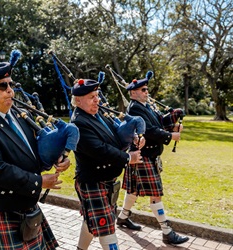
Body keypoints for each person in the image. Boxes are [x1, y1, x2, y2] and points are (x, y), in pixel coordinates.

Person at [0, 50, 71, 249]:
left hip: (26, 204)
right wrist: (39, 182)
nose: (10, 91)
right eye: (2, 86)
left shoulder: (20, 115)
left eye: (11, 85)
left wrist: (56, 158)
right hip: (2, 209)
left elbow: (33, 154)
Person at [70, 79, 143, 250]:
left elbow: (115, 134)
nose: (97, 100)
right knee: (107, 227)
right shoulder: (78, 123)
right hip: (93, 181)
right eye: (91, 97)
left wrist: (132, 138)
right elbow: (100, 150)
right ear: (78, 100)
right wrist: (127, 158)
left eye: (97, 96)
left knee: (92, 220)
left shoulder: (97, 114)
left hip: (106, 180)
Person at [117, 72, 189, 245]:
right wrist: (171, 136)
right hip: (143, 156)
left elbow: (158, 122)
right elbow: (149, 131)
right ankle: (167, 232)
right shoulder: (134, 108)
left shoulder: (146, 105)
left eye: (147, 89)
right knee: (156, 194)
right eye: (143, 90)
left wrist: (174, 115)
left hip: (149, 156)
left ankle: (122, 217)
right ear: (133, 92)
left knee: (133, 190)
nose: (146, 92)